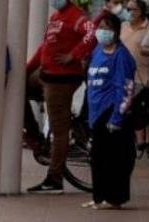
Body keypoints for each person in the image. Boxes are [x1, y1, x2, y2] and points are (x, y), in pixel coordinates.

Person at [26, 0, 100, 194]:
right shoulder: (55, 17)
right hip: (46, 74)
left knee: (60, 131)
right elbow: (45, 47)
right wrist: (27, 70)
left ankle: (54, 178)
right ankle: (35, 137)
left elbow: (92, 33)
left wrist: (73, 55)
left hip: (60, 79)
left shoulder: (76, 16)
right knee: (20, 90)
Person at [83, 14, 137, 209]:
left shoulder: (121, 56)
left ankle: (114, 198)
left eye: (107, 27)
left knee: (114, 158)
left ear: (115, 31)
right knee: (97, 157)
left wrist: (117, 116)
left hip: (111, 111)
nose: (102, 31)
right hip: (95, 111)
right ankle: (99, 196)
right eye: (100, 27)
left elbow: (124, 88)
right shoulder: (97, 51)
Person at [119, 0, 149, 158]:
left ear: (141, 11)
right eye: (127, 9)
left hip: (143, 74)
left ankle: (146, 141)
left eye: (132, 9)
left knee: (140, 110)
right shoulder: (123, 26)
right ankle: (137, 141)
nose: (130, 12)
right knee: (127, 108)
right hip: (123, 75)